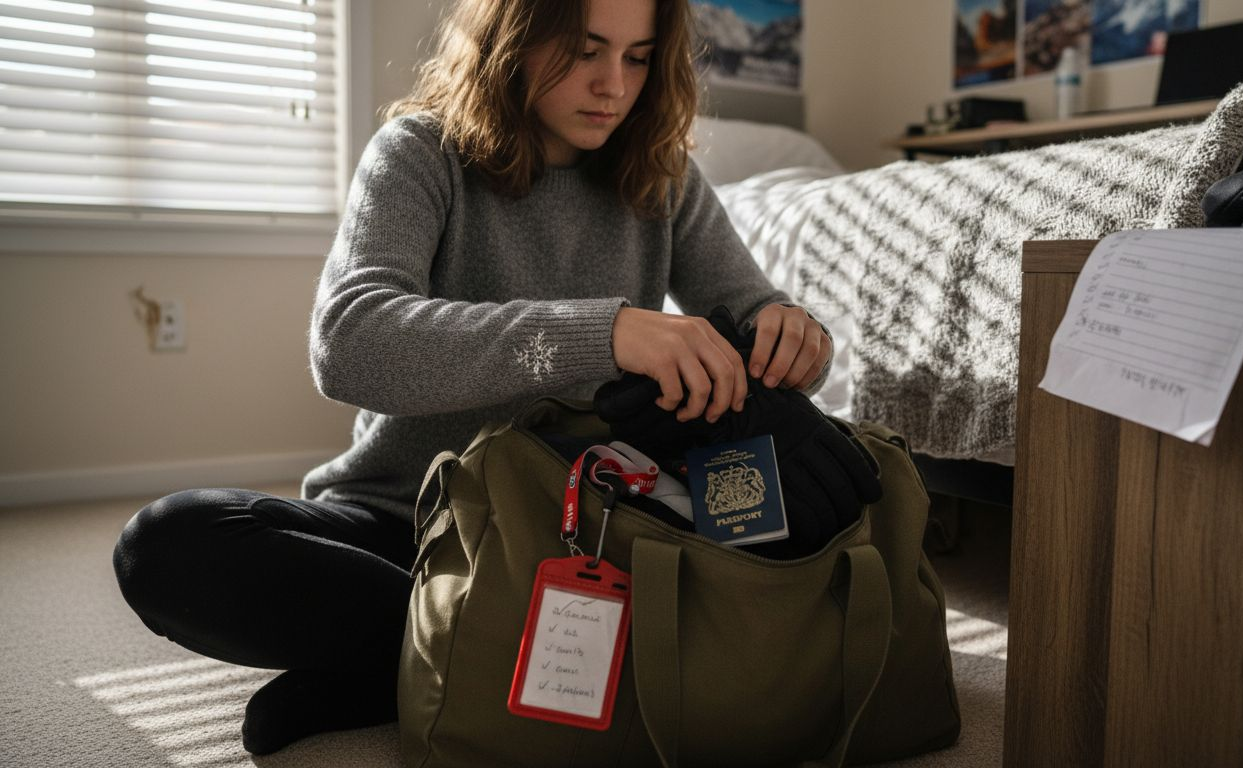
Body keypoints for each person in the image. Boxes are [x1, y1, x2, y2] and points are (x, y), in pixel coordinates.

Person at [112, 0, 832, 755]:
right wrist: (606, 332)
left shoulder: (663, 179)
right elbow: (349, 342)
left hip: (576, 539)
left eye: (638, 57)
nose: (613, 85)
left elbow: (758, 313)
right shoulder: (418, 152)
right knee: (166, 543)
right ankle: (463, 650)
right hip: (402, 524)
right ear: (513, 40)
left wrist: (792, 336)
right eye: (585, 50)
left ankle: (410, 661)